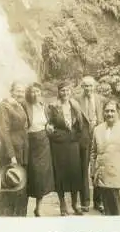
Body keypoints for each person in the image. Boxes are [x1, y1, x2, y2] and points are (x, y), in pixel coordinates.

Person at [46, 81, 84, 216]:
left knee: (75, 173)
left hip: (73, 144)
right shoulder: (52, 106)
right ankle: (63, 204)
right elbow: (49, 127)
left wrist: (75, 137)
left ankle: (75, 204)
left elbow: (80, 125)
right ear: (58, 92)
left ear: (71, 91)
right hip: (59, 145)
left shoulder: (75, 105)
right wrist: (59, 137)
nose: (65, 93)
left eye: (67, 90)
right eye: (62, 90)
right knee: (60, 174)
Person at [0, 82, 29, 216]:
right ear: (11, 91)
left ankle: (19, 218)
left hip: (22, 152)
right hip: (11, 153)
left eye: (22, 91)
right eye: (18, 91)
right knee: (9, 188)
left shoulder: (20, 105)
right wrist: (12, 156)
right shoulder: (3, 107)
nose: (20, 94)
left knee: (21, 188)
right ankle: (5, 220)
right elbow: (3, 132)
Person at [22, 82, 55, 217]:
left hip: (44, 142)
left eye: (37, 91)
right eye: (32, 91)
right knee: (30, 173)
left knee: (41, 175)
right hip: (30, 142)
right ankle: (23, 206)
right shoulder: (24, 105)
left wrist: (49, 127)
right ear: (29, 93)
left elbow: (49, 121)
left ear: (41, 93)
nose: (35, 94)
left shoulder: (44, 106)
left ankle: (38, 208)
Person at [77, 75, 106, 213]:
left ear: (94, 86)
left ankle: (98, 201)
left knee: (98, 168)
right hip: (83, 139)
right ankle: (85, 202)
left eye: (90, 86)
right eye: (85, 86)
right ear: (82, 87)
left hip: (98, 137)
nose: (88, 88)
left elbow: (107, 117)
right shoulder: (76, 100)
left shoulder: (101, 100)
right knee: (83, 169)